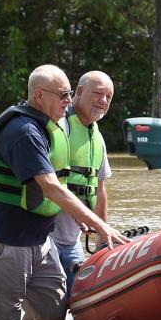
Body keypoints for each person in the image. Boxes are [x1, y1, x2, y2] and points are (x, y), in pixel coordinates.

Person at [0, 64, 129, 320]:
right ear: (38, 96)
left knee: (52, 314)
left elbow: (87, 187)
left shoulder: (50, 129)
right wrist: (101, 227)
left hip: (39, 238)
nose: (68, 101)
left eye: (69, 94)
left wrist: (88, 220)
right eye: (62, 95)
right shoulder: (24, 132)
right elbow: (51, 187)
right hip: (8, 239)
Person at [48, 70, 115, 298]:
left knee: (76, 303)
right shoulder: (57, 126)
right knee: (47, 309)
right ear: (79, 92)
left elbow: (99, 189)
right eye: (98, 93)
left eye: (109, 96)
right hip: (44, 236)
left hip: (71, 239)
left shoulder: (97, 137)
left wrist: (102, 240)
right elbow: (45, 181)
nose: (103, 100)